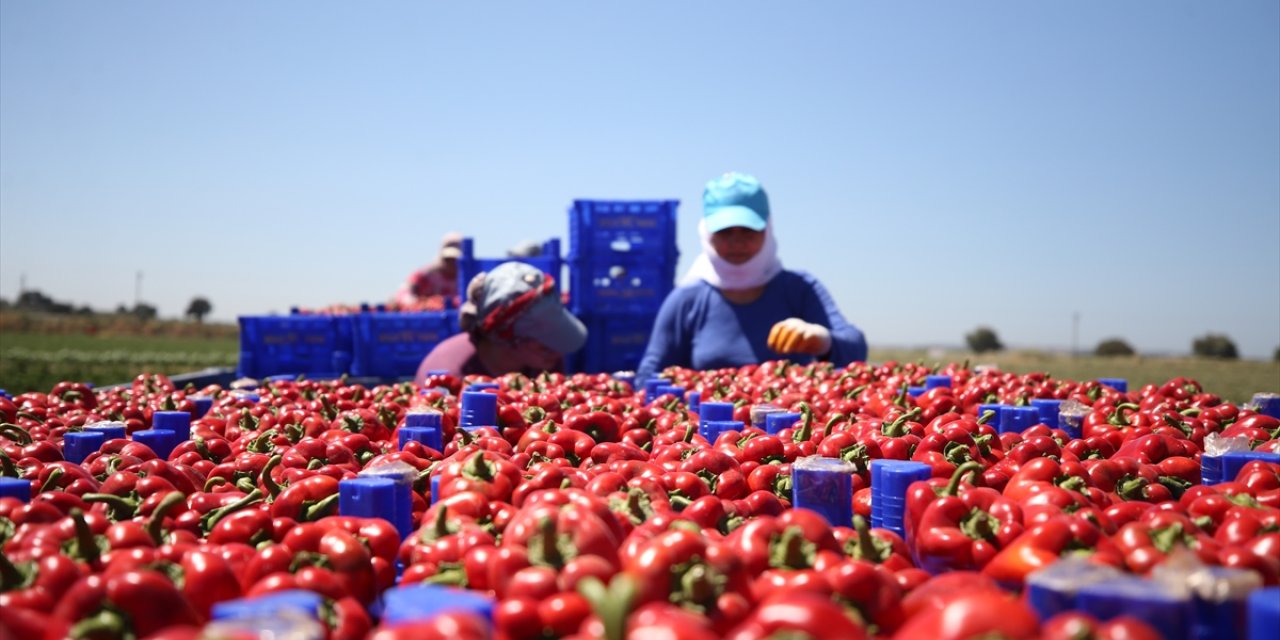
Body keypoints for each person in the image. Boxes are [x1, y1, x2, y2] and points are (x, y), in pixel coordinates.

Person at [636, 172, 867, 383]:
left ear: (768, 229)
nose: (737, 243)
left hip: (788, 425)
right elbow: (649, 376)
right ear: (706, 234)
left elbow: (856, 351)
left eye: (748, 230)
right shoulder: (687, 301)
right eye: (724, 232)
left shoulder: (800, 289)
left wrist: (822, 340)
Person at [415, 261, 588, 382]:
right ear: (505, 339)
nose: (557, 350)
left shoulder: (544, 364)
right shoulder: (448, 377)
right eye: (544, 342)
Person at [394, 232, 463, 306]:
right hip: (429, 316)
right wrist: (415, 303)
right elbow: (403, 292)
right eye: (447, 259)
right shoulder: (426, 274)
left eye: (455, 259)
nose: (451, 263)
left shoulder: (468, 277)